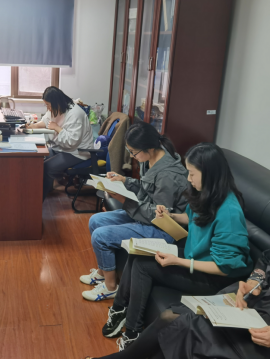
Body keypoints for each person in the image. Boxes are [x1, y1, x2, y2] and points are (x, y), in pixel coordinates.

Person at [84, 171, 270, 359]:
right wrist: (255, 281)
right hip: (258, 303)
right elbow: (268, 260)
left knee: (198, 340)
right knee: (176, 319)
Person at [100, 143, 252, 349]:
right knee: (137, 253)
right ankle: (119, 309)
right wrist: (169, 215)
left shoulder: (229, 212)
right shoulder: (205, 192)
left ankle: (132, 333)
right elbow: (191, 219)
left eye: (192, 173)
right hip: (194, 257)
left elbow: (224, 267)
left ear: (209, 174)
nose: (188, 178)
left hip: (214, 277)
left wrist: (178, 261)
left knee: (143, 266)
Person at [79, 122, 189, 302]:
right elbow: (145, 189)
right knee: (96, 221)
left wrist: (124, 200)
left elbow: (159, 216)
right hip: (147, 216)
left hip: (164, 229)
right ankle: (102, 272)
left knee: (100, 236)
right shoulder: (151, 158)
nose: (131, 156)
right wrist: (124, 180)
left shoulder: (168, 175)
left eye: (133, 152)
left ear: (149, 148)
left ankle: (110, 288)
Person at [24, 87, 92, 201]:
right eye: (46, 105)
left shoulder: (75, 114)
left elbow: (72, 142)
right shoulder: (57, 107)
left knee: (48, 167)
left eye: (48, 105)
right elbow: (46, 120)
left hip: (77, 152)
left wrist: (57, 128)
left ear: (56, 102)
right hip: (61, 148)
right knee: (37, 160)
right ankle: (43, 191)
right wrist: (33, 126)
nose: (48, 108)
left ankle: (38, 201)